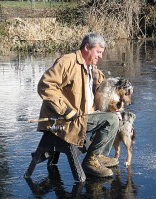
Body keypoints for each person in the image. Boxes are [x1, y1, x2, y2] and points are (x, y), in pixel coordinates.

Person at [37, 33, 119, 177]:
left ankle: (98, 155)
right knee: (111, 121)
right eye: (98, 52)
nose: (100, 56)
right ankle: (90, 162)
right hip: (65, 120)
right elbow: (45, 85)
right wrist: (65, 111)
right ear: (87, 47)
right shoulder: (67, 62)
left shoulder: (92, 68)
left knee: (115, 116)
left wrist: (114, 103)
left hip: (84, 116)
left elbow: (102, 88)